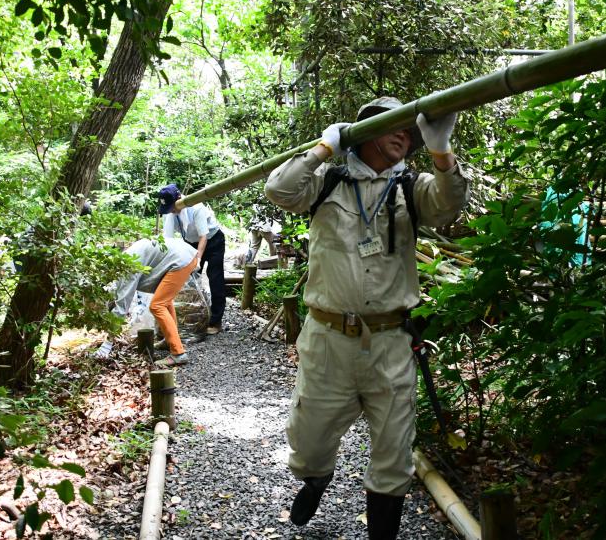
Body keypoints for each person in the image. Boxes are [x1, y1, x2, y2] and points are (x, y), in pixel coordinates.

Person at [265, 96, 470, 539]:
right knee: (308, 441)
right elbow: (279, 190)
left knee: (394, 453)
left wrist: (441, 149)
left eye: (408, 131)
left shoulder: (412, 186)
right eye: (393, 127)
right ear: (365, 134)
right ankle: (316, 477)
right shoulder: (329, 180)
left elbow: (448, 205)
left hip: (391, 341)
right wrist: (324, 149)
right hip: (327, 339)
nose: (403, 135)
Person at [112, 238, 200, 367]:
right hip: (184, 255)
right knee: (164, 301)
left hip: (181, 260)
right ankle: (168, 340)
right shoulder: (126, 258)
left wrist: (108, 342)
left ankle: (178, 354)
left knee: (157, 306)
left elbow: (122, 305)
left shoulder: (127, 270)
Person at [158, 184, 228, 335]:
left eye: (172, 207)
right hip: (191, 242)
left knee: (215, 278)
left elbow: (203, 236)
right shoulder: (169, 214)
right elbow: (168, 240)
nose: (172, 211)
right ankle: (194, 318)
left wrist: (197, 259)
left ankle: (216, 321)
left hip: (213, 240)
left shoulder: (196, 207)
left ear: (178, 201)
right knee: (189, 280)